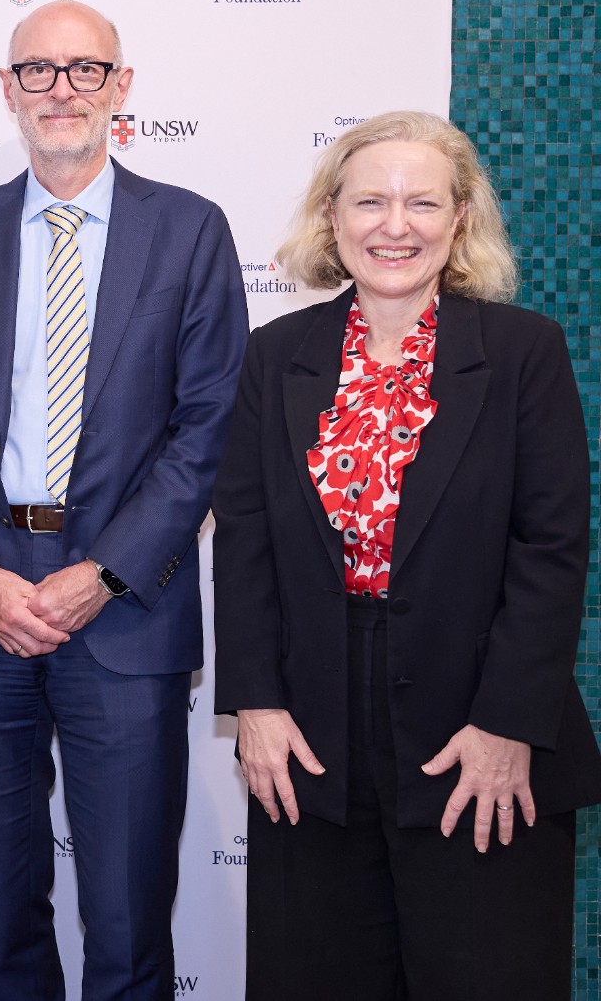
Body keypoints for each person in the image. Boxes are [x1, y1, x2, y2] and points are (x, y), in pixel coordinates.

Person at [212, 111, 600, 1000]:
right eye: (370, 201)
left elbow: (552, 549)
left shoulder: (522, 352)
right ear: (332, 218)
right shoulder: (277, 357)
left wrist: (509, 724)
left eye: (423, 201)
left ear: (460, 220)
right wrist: (257, 705)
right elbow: (246, 542)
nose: (396, 224)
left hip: (479, 730)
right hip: (311, 740)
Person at [0, 2, 247, 1000]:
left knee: (129, 913)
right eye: (39, 71)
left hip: (126, 615)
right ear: (7, 91)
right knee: (2, 910)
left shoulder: (188, 230)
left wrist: (102, 571)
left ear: (122, 88)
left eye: (85, 69)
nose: (62, 89)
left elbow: (207, 427)